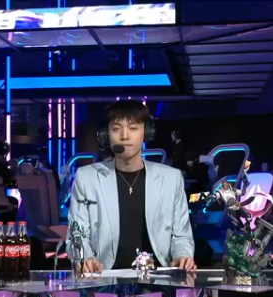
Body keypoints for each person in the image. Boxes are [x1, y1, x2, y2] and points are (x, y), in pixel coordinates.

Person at [68, 100, 196, 272]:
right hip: (104, 277)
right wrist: (85, 258)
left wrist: (182, 256)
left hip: (158, 277)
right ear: (105, 135)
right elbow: (76, 234)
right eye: (116, 129)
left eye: (133, 128)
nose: (124, 136)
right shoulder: (86, 178)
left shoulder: (171, 178)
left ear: (146, 132)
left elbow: (181, 235)